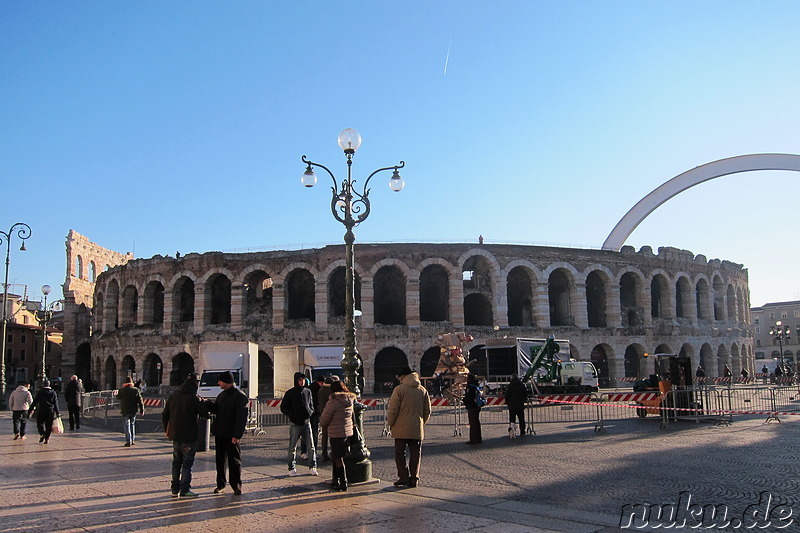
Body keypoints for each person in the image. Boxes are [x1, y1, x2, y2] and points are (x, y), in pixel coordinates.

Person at [162, 374, 209, 498]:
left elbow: (165, 414)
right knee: (187, 464)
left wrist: (167, 428)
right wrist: (202, 402)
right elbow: (204, 413)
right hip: (189, 436)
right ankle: (184, 490)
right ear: (195, 384)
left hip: (175, 435)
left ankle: (174, 489)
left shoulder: (174, 396)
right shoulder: (193, 398)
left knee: (176, 463)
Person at [204, 371, 249, 495]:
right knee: (220, 460)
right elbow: (217, 410)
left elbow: (241, 418)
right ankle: (221, 484)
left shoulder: (240, 396)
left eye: (220, 381)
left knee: (234, 461)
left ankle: (236, 485)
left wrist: (237, 435)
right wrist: (206, 403)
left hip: (231, 434)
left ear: (227, 382)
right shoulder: (222, 395)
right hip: (220, 433)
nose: (218, 383)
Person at [387, 366, 431, 488]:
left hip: (400, 428)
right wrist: (421, 422)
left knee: (400, 453)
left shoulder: (399, 389)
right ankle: (414, 478)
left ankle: (403, 477)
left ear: (403, 377)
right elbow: (427, 410)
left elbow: (393, 409)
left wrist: (391, 423)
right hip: (416, 427)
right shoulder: (422, 390)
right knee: (415, 453)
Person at [319, 380, 356, 491]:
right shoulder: (350, 400)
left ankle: (343, 482)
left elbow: (325, 419)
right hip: (347, 432)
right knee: (337, 456)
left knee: (338, 458)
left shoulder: (333, 402)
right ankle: (335, 480)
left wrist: (322, 424)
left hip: (336, 432)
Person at [280, 372, 318, 477]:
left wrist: (310, 411)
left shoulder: (307, 391)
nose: (302, 382)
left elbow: (311, 404)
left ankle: (312, 466)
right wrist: (292, 415)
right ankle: (291, 468)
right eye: (300, 380)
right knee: (292, 447)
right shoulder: (290, 393)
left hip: (306, 421)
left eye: (303, 380)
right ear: (296, 381)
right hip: (295, 423)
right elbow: (283, 407)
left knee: (311, 446)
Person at [29, 380, 60, 444]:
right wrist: (57, 412)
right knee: (49, 425)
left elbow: (35, 401)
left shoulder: (40, 392)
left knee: (39, 423)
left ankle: (42, 433)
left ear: (43, 385)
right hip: (50, 410)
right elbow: (55, 403)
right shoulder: (53, 392)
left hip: (42, 409)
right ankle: (47, 438)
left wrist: (30, 409)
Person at [118, 376, 144, 446]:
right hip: (133, 410)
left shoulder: (122, 390)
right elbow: (140, 401)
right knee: (132, 425)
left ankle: (128, 441)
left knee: (127, 426)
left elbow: (118, 397)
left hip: (125, 410)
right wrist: (142, 410)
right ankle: (132, 440)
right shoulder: (136, 390)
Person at [318, 375, 338, 461]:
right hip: (332, 414)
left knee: (324, 435)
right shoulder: (332, 391)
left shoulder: (321, 390)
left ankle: (324, 453)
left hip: (323, 413)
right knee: (334, 435)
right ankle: (333, 453)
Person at [463, 374, 483, 445]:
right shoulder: (476, 385)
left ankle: (473, 439)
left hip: (472, 407)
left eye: (467, 378)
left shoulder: (470, 387)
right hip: (477, 406)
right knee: (477, 423)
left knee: (473, 423)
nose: (466, 379)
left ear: (470, 379)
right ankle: (478, 438)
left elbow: (469, 397)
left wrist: (464, 400)